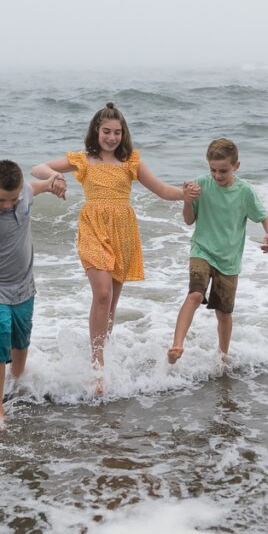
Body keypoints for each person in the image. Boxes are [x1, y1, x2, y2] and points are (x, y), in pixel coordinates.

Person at [31, 103, 200, 394]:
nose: (111, 137)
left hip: (123, 231)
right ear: (96, 131)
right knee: (102, 294)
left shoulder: (131, 161)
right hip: (93, 227)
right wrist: (55, 178)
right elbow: (38, 168)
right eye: (106, 131)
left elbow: (161, 190)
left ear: (124, 134)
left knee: (111, 303)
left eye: (117, 132)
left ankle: (103, 356)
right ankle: (97, 366)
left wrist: (184, 194)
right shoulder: (83, 160)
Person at [0, 159, 65, 431]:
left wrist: (54, 185)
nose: (8, 205)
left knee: (20, 337)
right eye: (1, 200)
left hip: (23, 284)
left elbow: (38, 186)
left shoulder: (23, 193)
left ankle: (17, 382)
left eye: (13, 199)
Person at [167, 138, 268, 366]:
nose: (217, 175)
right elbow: (188, 221)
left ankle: (223, 356)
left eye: (223, 170)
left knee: (224, 313)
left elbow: (264, 217)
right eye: (213, 170)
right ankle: (177, 345)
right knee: (195, 294)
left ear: (236, 166)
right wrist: (187, 200)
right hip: (202, 250)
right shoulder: (201, 185)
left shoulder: (244, 191)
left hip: (229, 260)